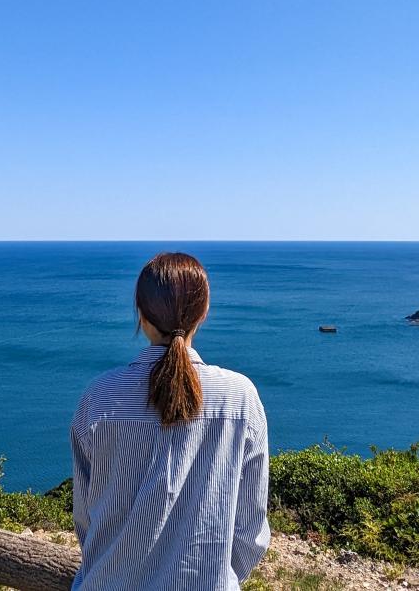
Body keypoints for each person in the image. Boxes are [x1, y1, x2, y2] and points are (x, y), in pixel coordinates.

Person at [70, 252, 270, 590]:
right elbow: (250, 532)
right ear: (203, 313)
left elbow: (86, 518)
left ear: (141, 314)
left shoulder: (100, 396)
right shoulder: (240, 398)